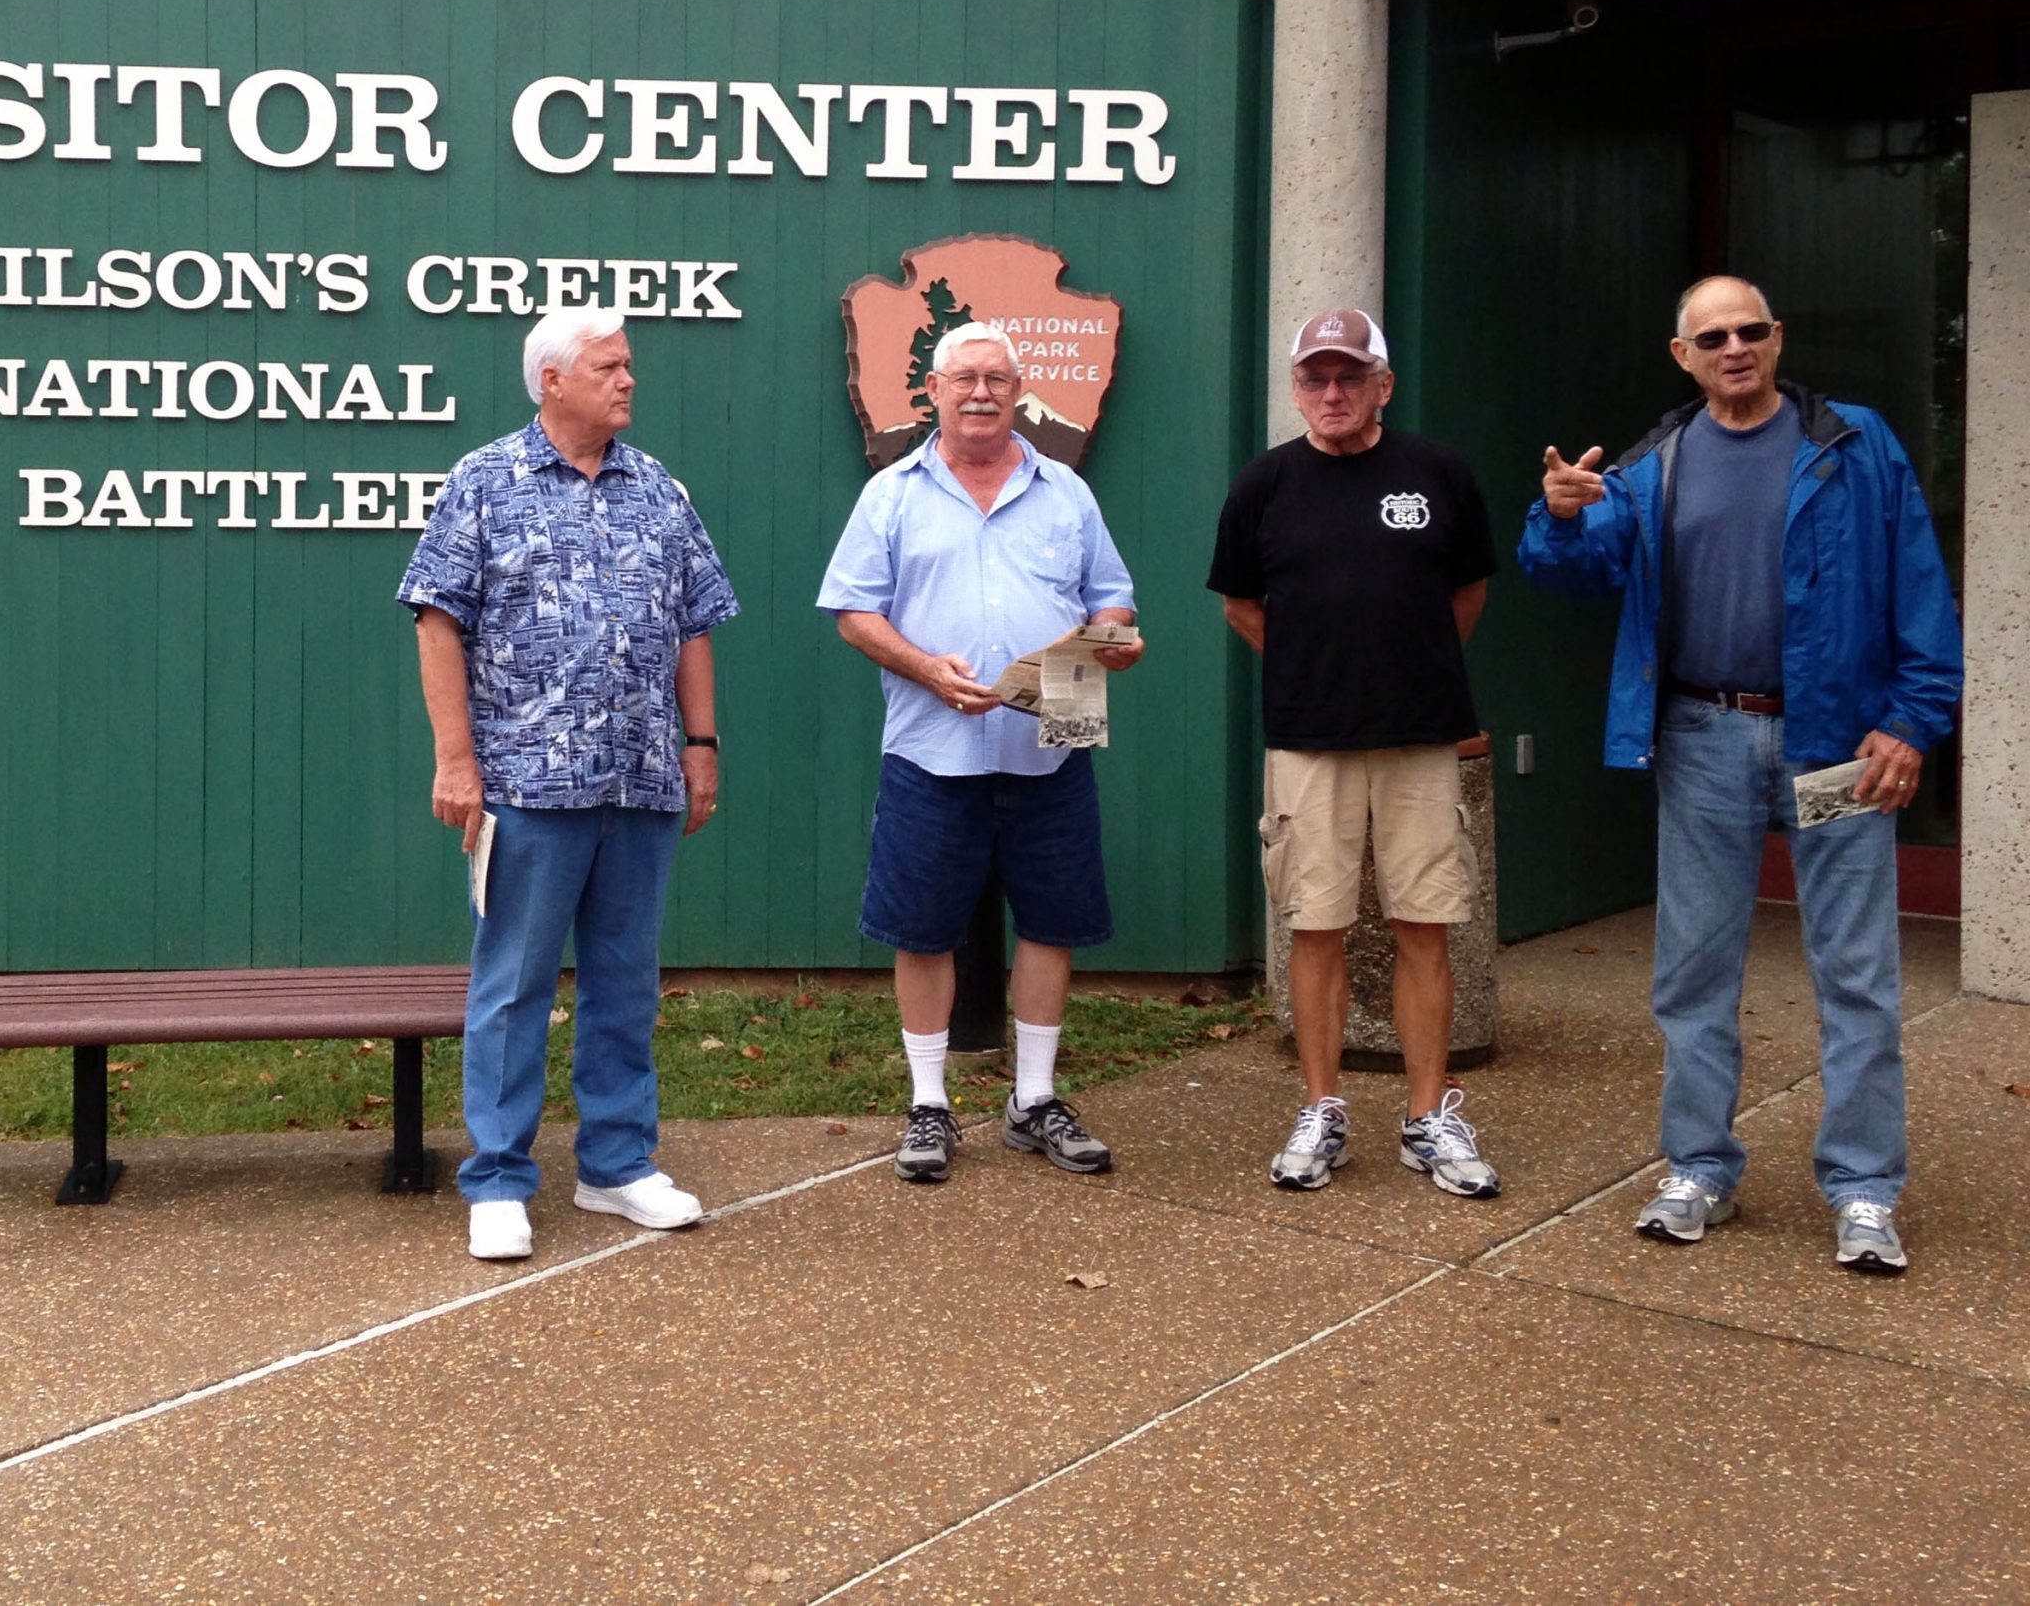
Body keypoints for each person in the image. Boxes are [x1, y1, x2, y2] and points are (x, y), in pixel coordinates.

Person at [1519, 275, 1961, 1273]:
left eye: (1748, 330)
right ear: (1682, 355)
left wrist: (1911, 721)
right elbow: (1578, 570)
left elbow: (1920, 587)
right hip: (1704, 736)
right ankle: (1698, 1167)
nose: (1732, 347)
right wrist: (1553, 515)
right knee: (1693, 966)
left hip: (1840, 741)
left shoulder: (1853, 444)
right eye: (1710, 336)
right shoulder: (1654, 464)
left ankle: (1861, 1188)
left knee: (1855, 973)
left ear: (1776, 339)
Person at [397, 307, 739, 1262]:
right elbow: (437, 623)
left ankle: (618, 1166)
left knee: (625, 979)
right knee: (513, 983)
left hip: (639, 782)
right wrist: (455, 760)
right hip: (527, 785)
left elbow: (696, 623)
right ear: (552, 380)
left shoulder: (658, 490)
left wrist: (700, 743)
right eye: (609, 365)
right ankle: (499, 1178)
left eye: (629, 364)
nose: (629, 379)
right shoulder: (484, 482)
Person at [817, 321, 1144, 1185]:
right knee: (922, 926)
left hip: (1055, 734)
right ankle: (929, 1106)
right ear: (933, 390)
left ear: (1019, 389)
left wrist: (1115, 637)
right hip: (933, 744)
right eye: (964, 379)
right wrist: (924, 667)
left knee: (1052, 919)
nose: (981, 394)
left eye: (997, 379)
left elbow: (1110, 598)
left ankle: (1032, 1100)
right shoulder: (892, 493)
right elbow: (853, 611)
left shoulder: (1066, 490)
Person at [1208, 308, 1502, 1198]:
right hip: (1309, 741)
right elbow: (1242, 607)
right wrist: (1321, 672)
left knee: (1425, 924)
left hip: (1420, 738)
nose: (1331, 393)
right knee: (1317, 927)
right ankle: (1323, 1109)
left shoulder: (1439, 473)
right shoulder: (1265, 484)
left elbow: (1468, 593)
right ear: (1297, 388)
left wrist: (1399, 672)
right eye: (1314, 378)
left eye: (1349, 376)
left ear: (1383, 383)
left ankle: (1426, 1118)